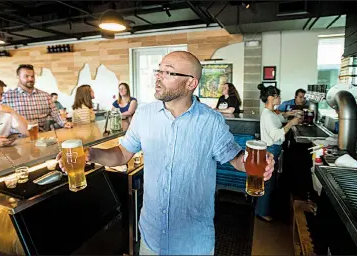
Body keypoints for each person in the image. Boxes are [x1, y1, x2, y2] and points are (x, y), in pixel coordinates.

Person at [57, 51, 275, 255]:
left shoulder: (211, 121)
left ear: (191, 83)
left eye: (168, 72)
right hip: (151, 237)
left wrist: (254, 163)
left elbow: (236, 159)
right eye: (158, 71)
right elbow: (122, 154)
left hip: (193, 242)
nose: (158, 77)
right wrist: (91, 154)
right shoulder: (144, 114)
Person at [257, 84, 299, 221]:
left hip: (274, 149)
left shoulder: (271, 113)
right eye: (277, 96)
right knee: (268, 183)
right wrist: (291, 123)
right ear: (271, 98)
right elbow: (275, 134)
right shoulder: (267, 115)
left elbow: (279, 119)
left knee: (271, 182)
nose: (280, 98)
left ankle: (265, 209)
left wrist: (287, 115)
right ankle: (262, 212)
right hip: (271, 149)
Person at [1, 64, 72, 131]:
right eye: (26, 76)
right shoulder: (6, 97)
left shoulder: (45, 96)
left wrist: (64, 123)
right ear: (18, 77)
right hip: (17, 137)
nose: (30, 79)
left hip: (41, 135)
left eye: (32, 76)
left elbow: (56, 114)